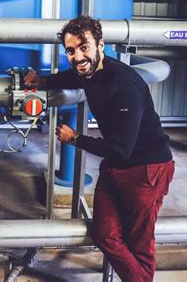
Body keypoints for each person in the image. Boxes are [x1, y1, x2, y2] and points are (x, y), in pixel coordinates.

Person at [24, 15, 174, 282]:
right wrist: (44, 82)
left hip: (146, 169)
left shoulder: (123, 85)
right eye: (71, 51)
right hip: (117, 166)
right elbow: (75, 75)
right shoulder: (89, 70)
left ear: (100, 45)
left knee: (138, 244)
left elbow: (120, 150)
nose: (78, 56)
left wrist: (75, 138)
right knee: (104, 234)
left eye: (84, 47)